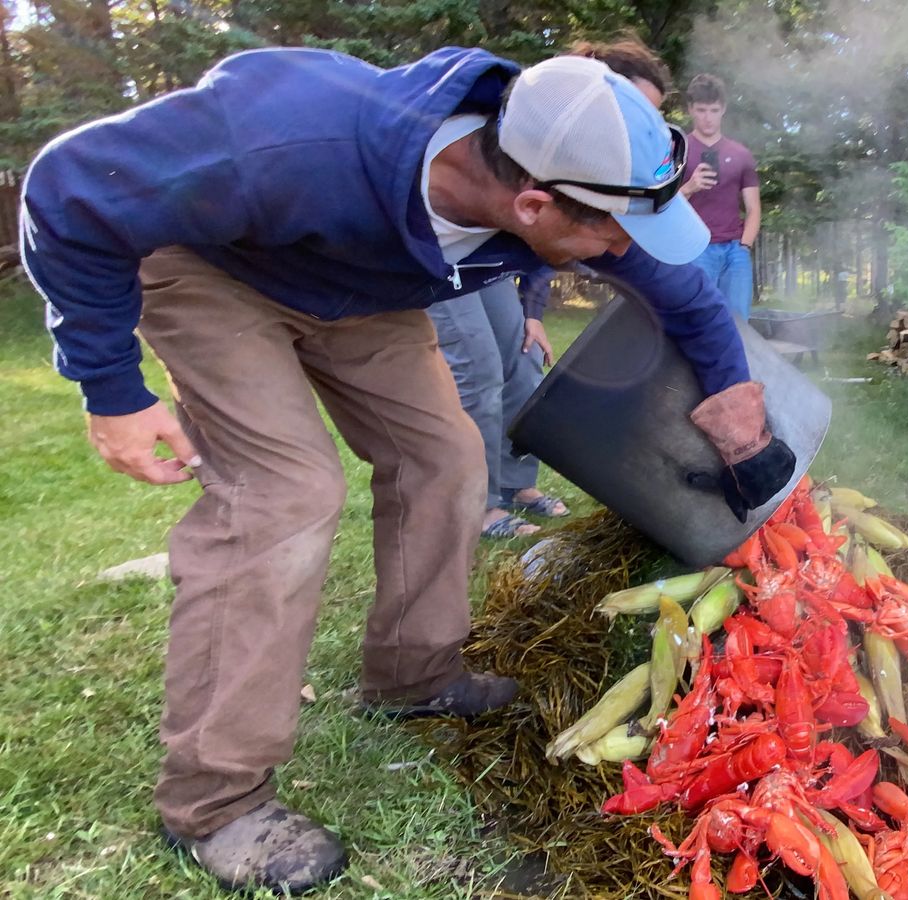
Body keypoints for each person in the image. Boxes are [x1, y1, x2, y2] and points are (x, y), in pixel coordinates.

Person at [19, 49, 796, 893]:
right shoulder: (291, 141)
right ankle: (216, 800)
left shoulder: (579, 192)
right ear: (531, 204)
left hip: (361, 294)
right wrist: (109, 389)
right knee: (286, 496)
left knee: (449, 458)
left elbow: (681, 291)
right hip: (212, 270)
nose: (621, 254)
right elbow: (68, 189)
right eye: (612, 237)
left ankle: (412, 676)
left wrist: (734, 400)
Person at [434, 38, 677, 539]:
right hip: (442, 258)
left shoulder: (612, 175)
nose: (643, 123)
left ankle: (517, 485)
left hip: (494, 266)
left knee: (522, 365)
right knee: (477, 371)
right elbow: (541, 224)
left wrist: (533, 310)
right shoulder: (546, 125)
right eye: (637, 104)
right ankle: (480, 506)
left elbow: (549, 245)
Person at [679, 73, 762, 320]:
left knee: (739, 325)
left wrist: (744, 246)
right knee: (698, 321)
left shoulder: (741, 154)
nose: (707, 118)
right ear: (691, 109)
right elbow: (662, 205)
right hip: (695, 249)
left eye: (714, 110)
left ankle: (736, 360)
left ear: (723, 110)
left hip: (735, 250)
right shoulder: (677, 149)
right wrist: (690, 187)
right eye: (701, 110)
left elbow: (754, 208)